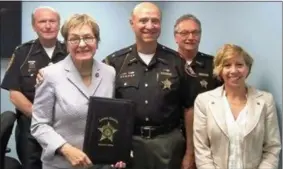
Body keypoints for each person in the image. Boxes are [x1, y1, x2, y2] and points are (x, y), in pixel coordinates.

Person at [104, 2, 198, 169]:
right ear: (132, 23)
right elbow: (105, 108)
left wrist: (190, 152)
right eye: (143, 20)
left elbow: (189, 108)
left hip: (169, 144)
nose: (150, 26)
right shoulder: (114, 62)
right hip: (129, 143)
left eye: (155, 21)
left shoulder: (177, 61)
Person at [30, 13, 126, 169]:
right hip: (62, 164)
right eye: (74, 39)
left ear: (97, 41)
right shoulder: (49, 75)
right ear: (66, 44)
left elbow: (112, 117)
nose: (82, 44)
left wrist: (116, 154)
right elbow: (39, 125)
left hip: (100, 164)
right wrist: (66, 149)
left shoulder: (110, 73)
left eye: (88, 37)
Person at [193, 44, 281, 169]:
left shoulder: (266, 101)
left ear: (248, 69)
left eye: (239, 65)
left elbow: (272, 147)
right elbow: (202, 149)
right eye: (227, 65)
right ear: (219, 70)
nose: (233, 71)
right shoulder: (204, 101)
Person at [1, 6, 67, 169]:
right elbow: (14, 94)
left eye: (52, 21)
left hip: (64, 128)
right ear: (34, 26)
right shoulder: (22, 52)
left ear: (59, 25)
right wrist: (40, 119)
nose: (47, 25)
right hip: (30, 130)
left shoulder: (70, 52)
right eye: (42, 21)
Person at [174, 14, 223, 169]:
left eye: (195, 33)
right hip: (171, 138)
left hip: (207, 139)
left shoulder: (214, 65)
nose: (191, 37)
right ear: (176, 37)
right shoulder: (166, 63)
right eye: (184, 33)